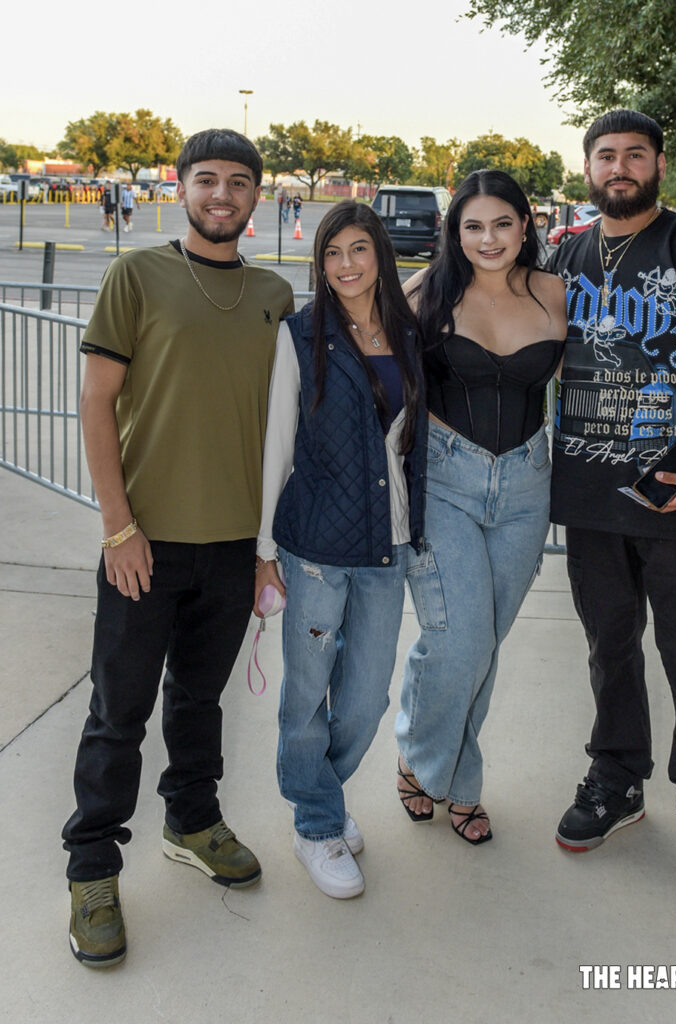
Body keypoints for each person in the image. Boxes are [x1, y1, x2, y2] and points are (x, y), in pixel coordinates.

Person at [62, 128, 294, 967]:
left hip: (234, 547)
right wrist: (118, 528)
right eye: (207, 181)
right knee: (118, 712)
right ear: (181, 188)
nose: (222, 195)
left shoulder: (274, 294)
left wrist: (269, 547)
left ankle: (192, 820)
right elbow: (95, 405)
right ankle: (92, 868)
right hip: (145, 544)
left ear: (256, 197)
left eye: (238, 182)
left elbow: (283, 431)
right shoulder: (138, 275)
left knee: (201, 701)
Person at [546, 110, 676, 895]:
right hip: (591, 495)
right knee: (610, 648)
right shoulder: (565, 253)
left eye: (635, 154)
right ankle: (617, 778)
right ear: (588, 167)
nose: (620, 167)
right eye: (606, 155)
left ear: (659, 164)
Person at [255, 199, 426, 898]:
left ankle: (320, 796)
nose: (346, 265)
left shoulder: (410, 334)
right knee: (305, 695)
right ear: (319, 263)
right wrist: (264, 548)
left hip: (388, 546)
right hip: (315, 547)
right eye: (332, 253)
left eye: (359, 249)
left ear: (380, 255)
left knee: (364, 698)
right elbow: (277, 444)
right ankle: (318, 823)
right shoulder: (300, 335)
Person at [395, 169, 566, 844]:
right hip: (445, 481)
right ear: (453, 232)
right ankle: (450, 777)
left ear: (526, 225)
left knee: (481, 643)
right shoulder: (424, 293)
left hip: (527, 486)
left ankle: (430, 764)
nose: (488, 239)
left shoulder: (553, 291)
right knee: (458, 638)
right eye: (473, 226)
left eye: (502, 223)